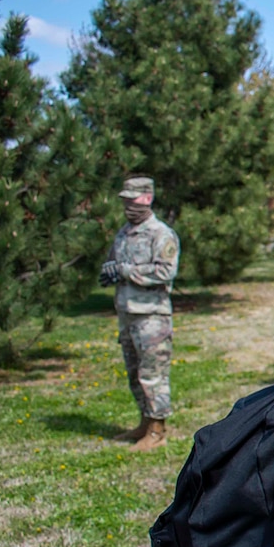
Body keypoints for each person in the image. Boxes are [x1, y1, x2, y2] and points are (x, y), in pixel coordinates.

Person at [100, 176, 180, 452]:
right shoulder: (124, 233)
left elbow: (165, 271)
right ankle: (144, 423)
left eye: (132, 199)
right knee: (134, 373)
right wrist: (110, 271)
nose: (127, 206)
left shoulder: (161, 234)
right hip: (127, 313)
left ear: (146, 198)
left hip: (152, 317)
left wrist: (126, 271)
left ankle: (158, 430)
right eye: (125, 200)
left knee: (152, 373)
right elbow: (116, 261)